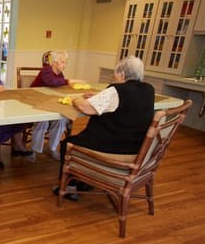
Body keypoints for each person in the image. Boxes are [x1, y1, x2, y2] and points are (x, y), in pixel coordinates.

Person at [54, 56, 155, 201]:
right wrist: (99, 96)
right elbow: (125, 102)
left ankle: (72, 186)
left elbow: (85, 107)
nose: (114, 77)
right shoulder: (148, 89)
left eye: (115, 74)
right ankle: (84, 181)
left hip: (112, 146)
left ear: (122, 74)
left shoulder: (116, 90)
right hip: (136, 147)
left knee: (67, 143)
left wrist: (75, 99)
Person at [29, 51, 86, 162]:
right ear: (54, 62)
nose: (64, 65)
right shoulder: (46, 70)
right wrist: (69, 81)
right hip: (36, 101)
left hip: (51, 102)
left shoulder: (59, 73)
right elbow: (52, 82)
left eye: (65, 63)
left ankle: (53, 148)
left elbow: (60, 85)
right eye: (62, 62)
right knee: (43, 121)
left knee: (61, 120)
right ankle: (34, 150)